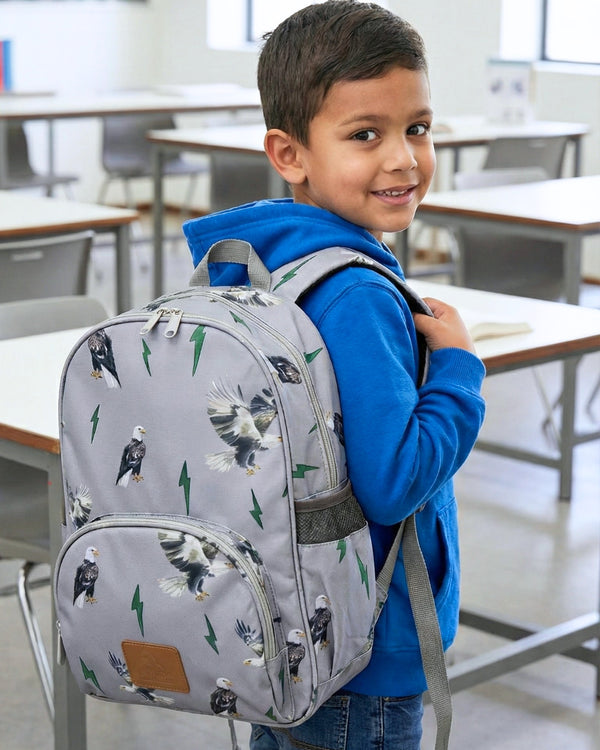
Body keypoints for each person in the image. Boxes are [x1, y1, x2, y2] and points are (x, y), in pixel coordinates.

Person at [183, 2, 486, 747]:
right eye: (365, 135)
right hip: (365, 651)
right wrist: (459, 371)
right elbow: (393, 480)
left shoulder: (258, 264)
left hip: (286, 624)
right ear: (289, 155)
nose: (403, 158)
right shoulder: (355, 294)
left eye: (417, 127)